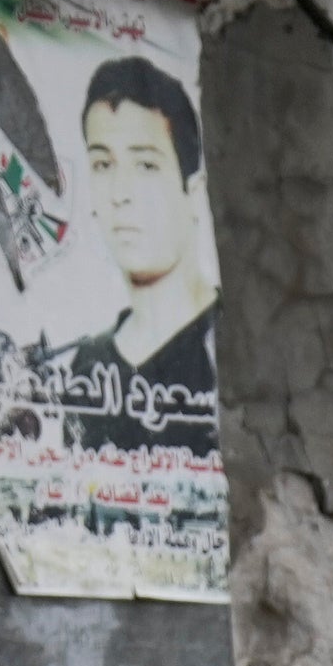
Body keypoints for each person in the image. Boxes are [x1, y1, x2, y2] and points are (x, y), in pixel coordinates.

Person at [56, 55, 220, 450]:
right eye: (103, 164)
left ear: (193, 193)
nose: (120, 194)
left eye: (145, 165)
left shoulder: (226, 343)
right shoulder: (89, 366)